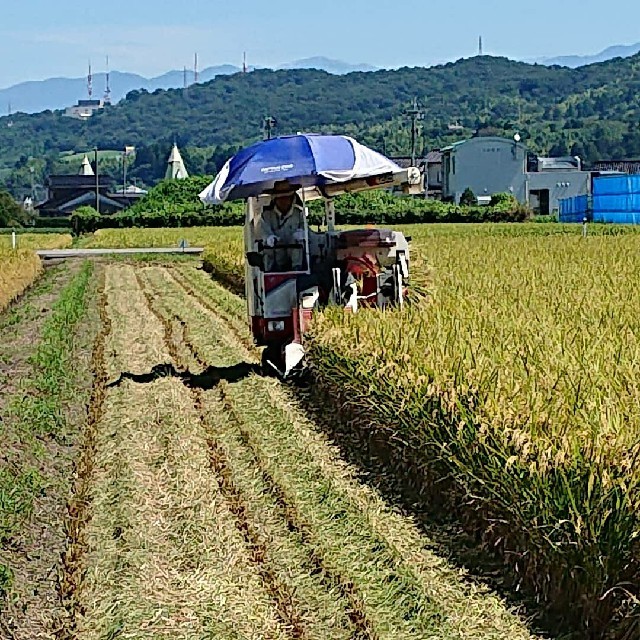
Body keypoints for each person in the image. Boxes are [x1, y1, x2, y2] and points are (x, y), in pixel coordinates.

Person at [258, 180, 306, 271]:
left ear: (292, 198)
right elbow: (265, 233)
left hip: (296, 264)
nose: (283, 201)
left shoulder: (299, 214)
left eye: (286, 197)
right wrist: (270, 239)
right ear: (275, 199)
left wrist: (302, 234)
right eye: (280, 198)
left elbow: (305, 231)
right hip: (273, 264)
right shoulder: (266, 216)